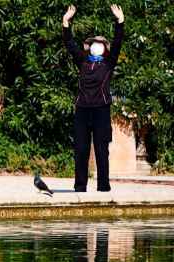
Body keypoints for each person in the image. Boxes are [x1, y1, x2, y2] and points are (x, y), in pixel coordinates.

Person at [63, 5, 124, 192]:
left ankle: (103, 187)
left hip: (101, 110)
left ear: (104, 48)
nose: (96, 45)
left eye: (100, 43)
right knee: (81, 149)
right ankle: (80, 186)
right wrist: (66, 22)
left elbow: (118, 42)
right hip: (82, 109)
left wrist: (120, 21)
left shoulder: (108, 63)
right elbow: (70, 44)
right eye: (93, 43)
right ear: (89, 48)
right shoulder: (82, 61)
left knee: (101, 150)